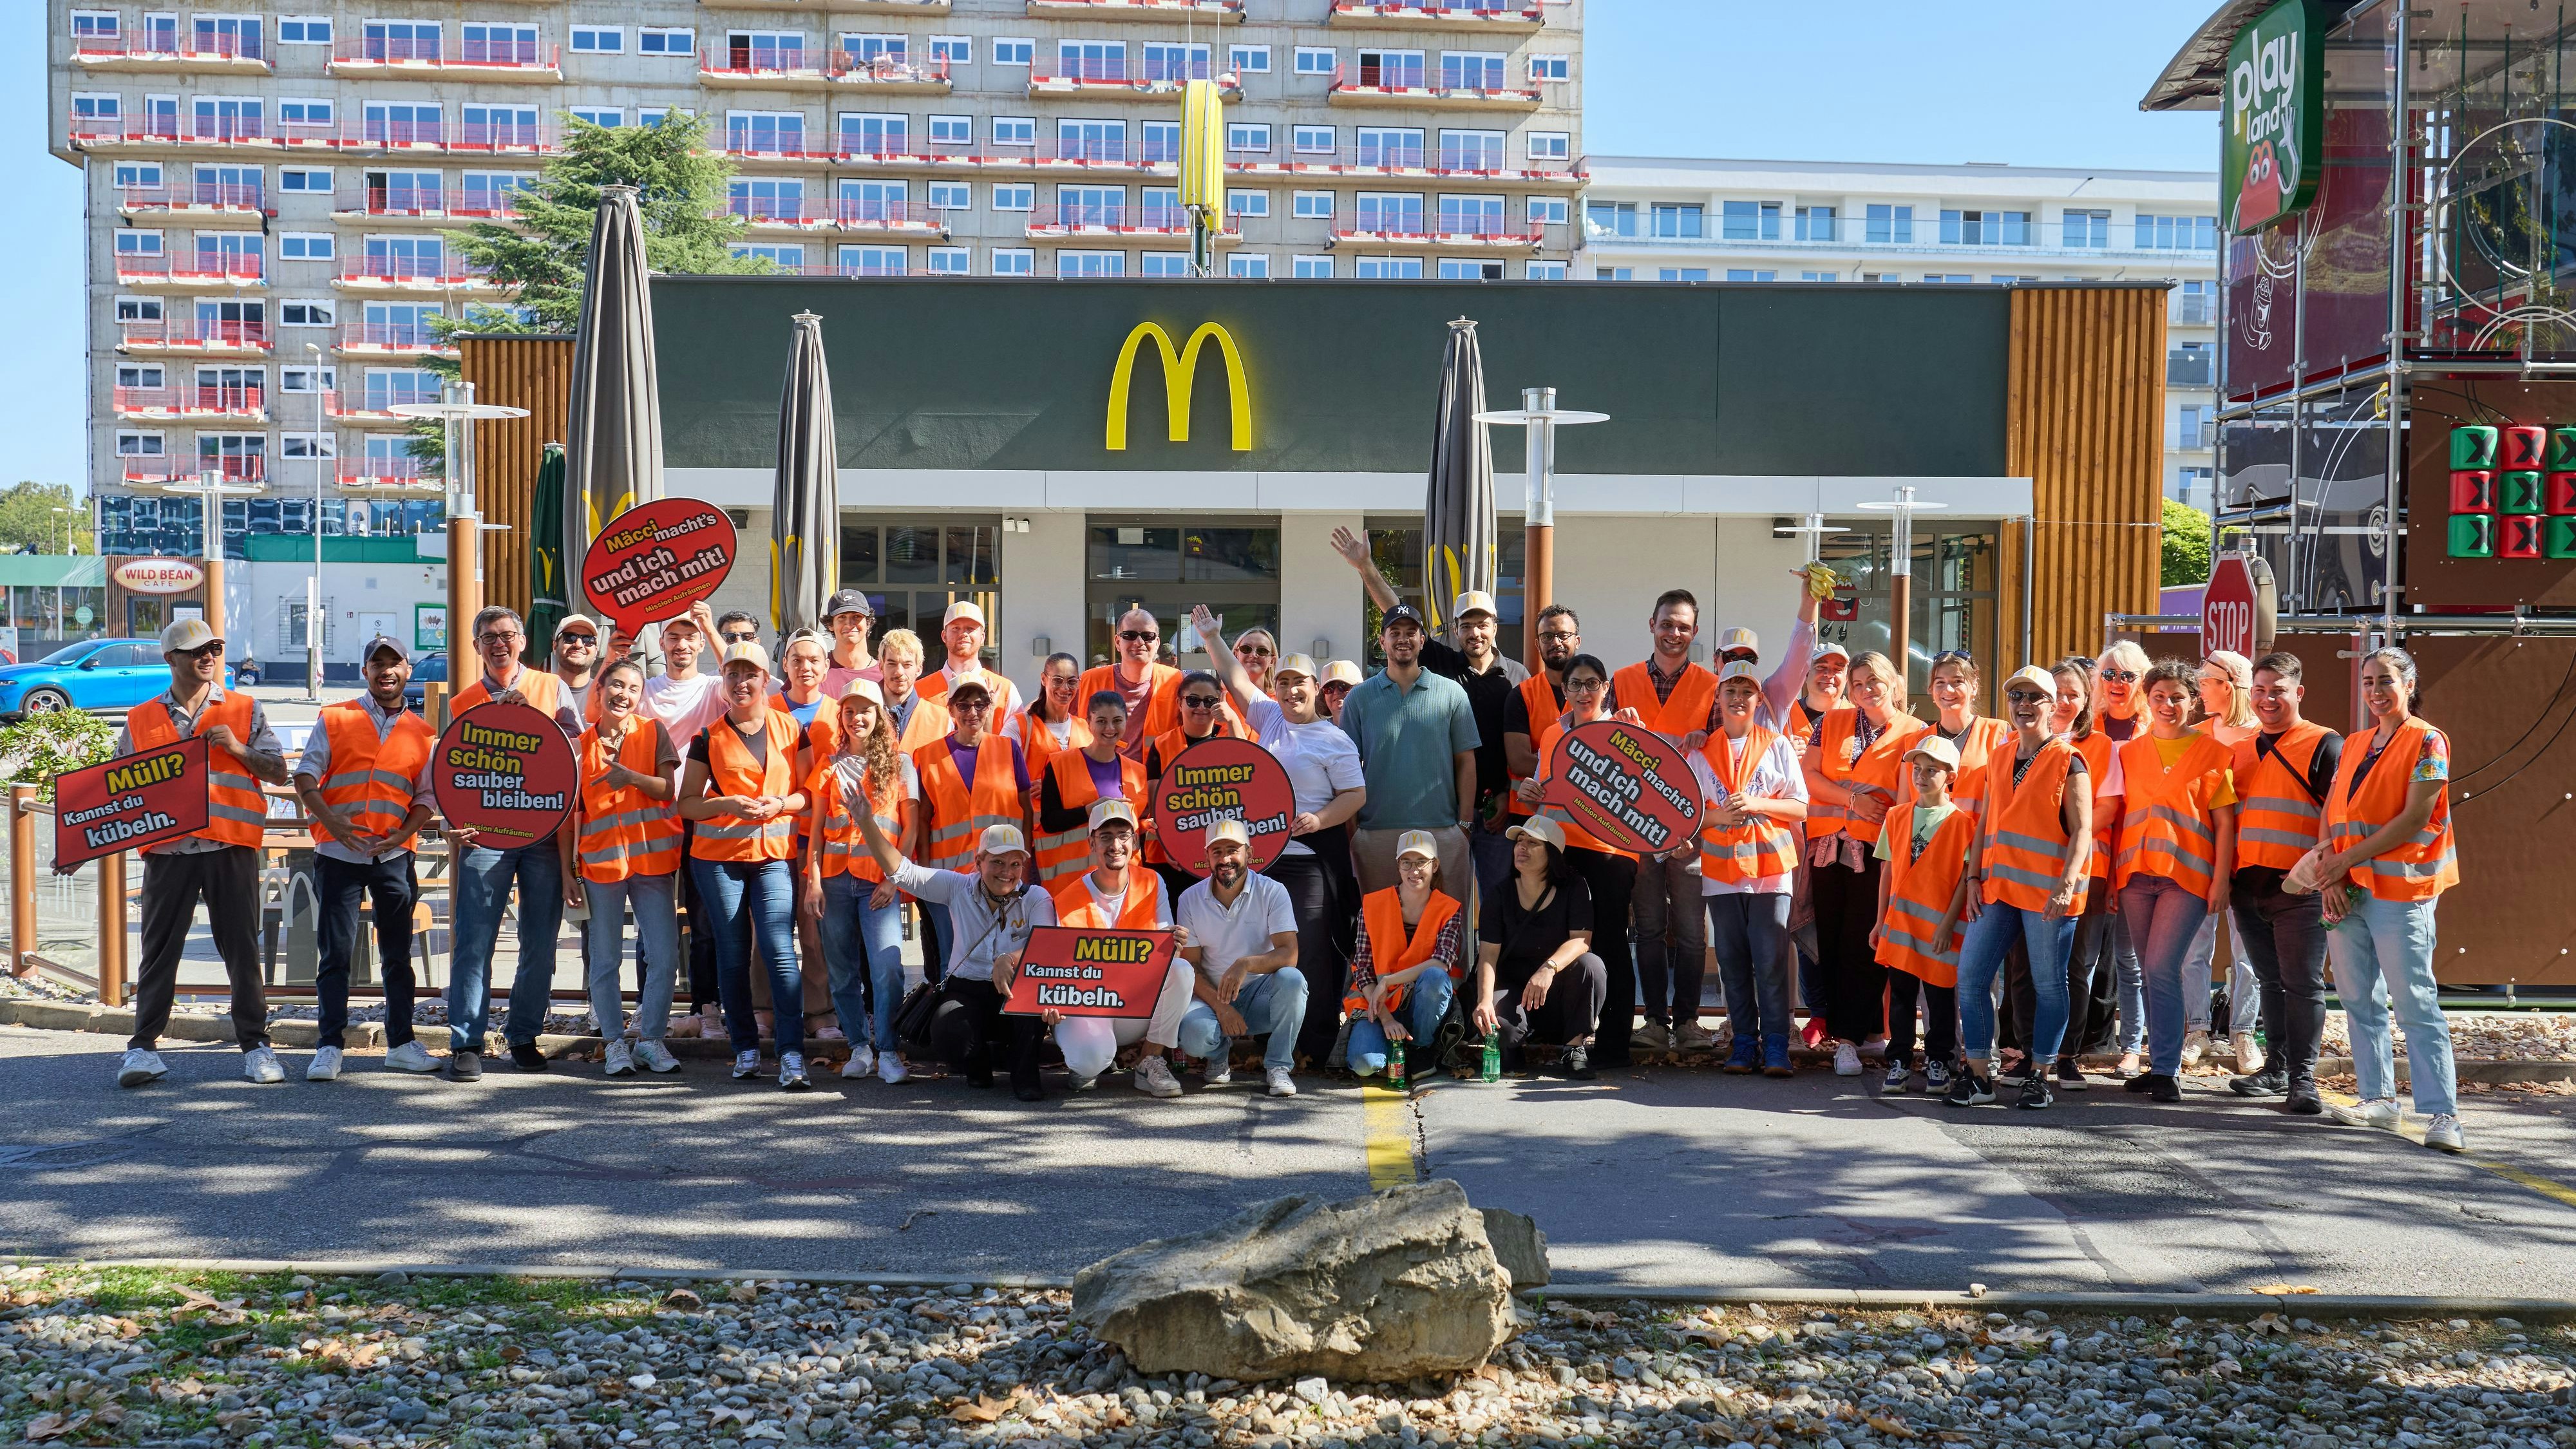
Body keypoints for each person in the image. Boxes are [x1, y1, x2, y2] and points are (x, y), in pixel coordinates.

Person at [111, 618, 292, 1090]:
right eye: (196, 651)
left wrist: (236, 748)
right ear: (171, 659)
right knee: (158, 953)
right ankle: (143, 1048)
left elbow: (277, 772)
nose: (208, 656)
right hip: (168, 850)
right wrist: (78, 847)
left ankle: (256, 1047)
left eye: (214, 647)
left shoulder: (245, 709)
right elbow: (117, 791)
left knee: (240, 950)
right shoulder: (141, 718)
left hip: (228, 847)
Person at [1195, 613, 1368, 1067]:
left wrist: (1320, 818)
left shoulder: (1335, 739)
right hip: (1263, 860)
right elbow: (1235, 680)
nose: (1291, 691)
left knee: (1308, 949)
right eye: (1284, 682)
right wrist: (1213, 637)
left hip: (1309, 859)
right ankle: (1265, 1034)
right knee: (1259, 946)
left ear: (1316, 688)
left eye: (1301, 684)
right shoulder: (1270, 719)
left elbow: (1356, 795)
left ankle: (1314, 1043)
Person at [2315, 647, 2463, 1153]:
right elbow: (2332, 813)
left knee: (2414, 1000)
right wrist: (2329, 871)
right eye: (2369, 681)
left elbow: (2415, 818)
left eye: (2386, 681)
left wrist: (2342, 859)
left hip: (2401, 890)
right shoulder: (2355, 743)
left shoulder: (2428, 741)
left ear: (2408, 685)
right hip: (2347, 887)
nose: (2376, 691)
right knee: (2358, 998)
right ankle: (2377, 1098)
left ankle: (2444, 1114)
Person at [1332, 529, 1528, 901]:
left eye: (1482, 623)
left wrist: (1502, 797)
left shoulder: (1519, 677)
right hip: (1442, 817)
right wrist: (1365, 566)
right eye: (1466, 625)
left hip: (1495, 810)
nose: (1474, 631)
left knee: (1493, 903)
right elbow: (1397, 614)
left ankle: (1481, 963)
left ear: (1495, 627)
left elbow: (1527, 742)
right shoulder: (1445, 666)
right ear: (1454, 630)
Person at [444, 605, 583, 1081]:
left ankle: (524, 1035)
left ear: (523, 641)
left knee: (540, 943)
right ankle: (466, 1042)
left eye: (507, 634)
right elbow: (453, 770)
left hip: (544, 834)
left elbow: (578, 755)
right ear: (477, 645)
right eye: (488, 636)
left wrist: (538, 727)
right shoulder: (463, 701)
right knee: (473, 941)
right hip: (485, 835)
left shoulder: (551, 687)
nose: (499, 643)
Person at [292, 635, 438, 1081]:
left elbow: (426, 797)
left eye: (395, 664)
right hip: (338, 853)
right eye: (378, 664)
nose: (387, 671)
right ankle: (330, 1046)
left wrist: (405, 833)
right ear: (365, 672)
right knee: (334, 954)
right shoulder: (335, 717)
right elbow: (305, 777)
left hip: (393, 855)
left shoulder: (423, 732)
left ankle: (401, 1044)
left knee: (398, 955)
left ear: (408, 671)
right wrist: (331, 823)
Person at [1946, 667, 2093, 1108]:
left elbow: (2084, 829)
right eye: (2017, 697)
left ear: (2052, 706)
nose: (2024, 705)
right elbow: (1986, 822)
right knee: (1971, 979)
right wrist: (1973, 877)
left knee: (2049, 985)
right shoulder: (1999, 756)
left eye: (2034, 697)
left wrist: (2067, 885)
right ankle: (1979, 1078)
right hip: (1998, 888)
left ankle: (2039, 1075)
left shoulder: (2070, 759)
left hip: (2048, 894)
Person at [844, 800, 1056, 1096]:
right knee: (946, 1027)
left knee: (1030, 1008)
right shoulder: (958, 886)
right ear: (978, 860)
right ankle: (978, 1067)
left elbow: (1048, 945)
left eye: (1015, 864)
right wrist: (866, 821)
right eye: (997, 862)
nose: (1006, 872)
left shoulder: (1037, 897)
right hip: (968, 987)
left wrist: (1010, 958)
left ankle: (1025, 1075)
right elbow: (902, 872)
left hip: (1015, 991)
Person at [677, 641, 812, 1090]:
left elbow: (809, 796)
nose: (741, 683)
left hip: (773, 857)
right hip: (718, 861)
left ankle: (792, 1054)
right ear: (724, 682)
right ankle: (747, 1050)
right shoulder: (707, 737)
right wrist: (727, 803)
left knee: (778, 949)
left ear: (766, 679)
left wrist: (780, 803)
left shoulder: (791, 728)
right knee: (732, 955)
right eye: (732, 675)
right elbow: (688, 804)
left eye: (749, 674)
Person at [2112, 658, 2239, 1104]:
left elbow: (2225, 824)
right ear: (2148, 700)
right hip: (2134, 877)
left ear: (2194, 702)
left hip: (2185, 878)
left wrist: (2221, 880)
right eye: (2160, 697)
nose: (2168, 705)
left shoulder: (2213, 753)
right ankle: (2158, 1061)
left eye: (2178, 697)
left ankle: (2167, 1070)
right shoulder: (2128, 753)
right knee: (2149, 973)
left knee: (2163, 968)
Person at [2224, 651, 2340, 1117]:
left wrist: (2328, 875)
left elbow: (2341, 818)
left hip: (2301, 890)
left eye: (2278, 690)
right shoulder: (2240, 748)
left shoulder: (2325, 745)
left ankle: (2303, 1079)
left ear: (2299, 692)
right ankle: (2276, 1068)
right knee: (2271, 982)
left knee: (2303, 984)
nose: (2268, 699)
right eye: (2260, 690)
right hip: (2248, 886)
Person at [1511, 652, 1640, 1073]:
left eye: (1592, 684)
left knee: (1610, 945)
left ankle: (1616, 1045)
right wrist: (1535, 795)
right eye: (1575, 685)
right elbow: (1552, 789)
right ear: (1563, 691)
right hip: (1565, 851)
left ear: (1606, 688)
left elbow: (1642, 796)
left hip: (1611, 853)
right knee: (1568, 945)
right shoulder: (1552, 733)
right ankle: (1571, 1039)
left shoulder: (1625, 729)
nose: (1584, 692)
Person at [1805, 650, 1927, 1075]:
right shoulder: (1833, 721)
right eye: (1857, 683)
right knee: (1833, 943)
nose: (1865, 689)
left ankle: (1851, 1039)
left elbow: (1913, 795)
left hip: (1878, 853)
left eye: (1873, 680)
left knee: (1866, 943)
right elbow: (1811, 776)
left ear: (1893, 681)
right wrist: (1852, 801)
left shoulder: (1915, 732)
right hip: (1828, 850)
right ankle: (1857, 1034)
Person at [561, 657, 684, 1077]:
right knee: (605, 959)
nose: (623, 695)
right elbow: (568, 815)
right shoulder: (580, 747)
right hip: (600, 867)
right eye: (616, 686)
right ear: (600, 691)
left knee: (665, 956)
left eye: (632, 688)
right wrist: (567, 874)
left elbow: (669, 789)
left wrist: (630, 777)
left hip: (651, 864)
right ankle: (614, 1042)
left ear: (640, 695)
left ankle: (650, 1039)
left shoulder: (654, 732)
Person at [1610, 589, 1718, 1060]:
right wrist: (1615, 720)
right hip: (1637, 828)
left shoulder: (1713, 685)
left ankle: (1689, 1020)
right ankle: (1654, 1020)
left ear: (1694, 632)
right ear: (1651, 624)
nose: (1674, 633)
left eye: (1683, 626)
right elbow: (1604, 747)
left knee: (1693, 931)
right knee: (1649, 927)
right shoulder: (1622, 681)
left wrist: (1707, 739)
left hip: (1693, 830)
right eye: (1666, 624)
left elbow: (1723, 756)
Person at [804, 678, 920, 1085]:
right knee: (841, 970)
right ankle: (858, 1047)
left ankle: (888, 1050)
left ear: (880, 716)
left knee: (887, 967)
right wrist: (813, 882)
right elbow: (817, 830)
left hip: (878, 883)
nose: (858, 718)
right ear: (842, 718)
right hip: (834, 883)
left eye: (866, 711)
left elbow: (910, 828)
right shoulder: (828, 766)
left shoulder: (901, 763)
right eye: (850, 712)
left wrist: (895, 877)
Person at [1698, 661, 1808, 1075]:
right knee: (1731, 963)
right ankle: (1744, 1044)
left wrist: (1758, 804)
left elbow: (1801, 807)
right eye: (1731, 691)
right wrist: (1717, 819)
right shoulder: (1702, 750)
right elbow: (1690, 814)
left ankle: (1777, 1046)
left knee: (1771, 962)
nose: (1738, 698)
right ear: (1719, 698)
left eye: (1747, 691)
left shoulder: (1777, 744)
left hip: (1770, 873)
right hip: (1722, 876)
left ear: (1759, 699)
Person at [1049, 799, 1197, 1101]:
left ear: (1135, 841)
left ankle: (1150, 1060)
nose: (1115, 844)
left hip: (1132, 1006)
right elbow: (1056, 967)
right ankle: (1088, 1062)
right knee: (1090, 1062)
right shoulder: (1066, 897)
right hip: (1087, 1005)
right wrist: (1049, 998)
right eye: (1105, 837)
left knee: (1181, 970)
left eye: (1123, 835)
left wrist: (1174, 943)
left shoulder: (1153, 881)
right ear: (1091, 844)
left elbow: (1165, 955)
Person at [1338, 603, 1479, 900]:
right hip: (1376, 832)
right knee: (1382, 931)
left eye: (1411, 632)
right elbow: (1345, 769)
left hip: (1442, 831)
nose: (1404, 639)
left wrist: (1464, 827)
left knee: (1447, 928)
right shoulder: (1359, 698)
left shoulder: (1452, 693)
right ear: (1382, 641)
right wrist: (1354, 833)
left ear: (1422, 640)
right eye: (1395, 633)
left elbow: (1466, 761)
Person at [638, 598, 730, 1032]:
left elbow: (744, 676)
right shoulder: (647, 689)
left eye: (688, 637)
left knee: (704, 915)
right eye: (674, 637)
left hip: (701, 814)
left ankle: (706, 1005)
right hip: (654, 813)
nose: (681, 644)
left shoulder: (714, 686)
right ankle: (647, 1005)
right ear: (662, 643)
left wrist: (711, 629)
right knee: (650, 918)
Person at [912, 671, 1034, 983]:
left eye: (980, 705)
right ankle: (951, 1026)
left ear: (990, 708)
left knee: (1002, 956)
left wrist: (1026, 866)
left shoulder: (1009, 750)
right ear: (950, 710)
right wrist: (925, 876)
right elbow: (922, 821)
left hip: (1002, 876)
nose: (972, 713)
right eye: (963, 706)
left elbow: (1026, 813)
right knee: (952, 962)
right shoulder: (927, 756)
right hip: (950, 879)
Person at [2046, 656, 2132, 1083]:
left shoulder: (2102, 746)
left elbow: (2109, 807)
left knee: (2077, 965)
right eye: (2055, 692)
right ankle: (2030, 1050)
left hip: (2087, 870)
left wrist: (2066, 834)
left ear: (2086, 701)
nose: (2062, 701)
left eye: (2072, 694)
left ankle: (2066, 1055)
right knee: (2032, 965)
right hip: (2030, 869)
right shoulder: (2024, 740)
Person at [1872, 736, 1974, 1095]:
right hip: (1900, 924)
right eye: (1917, 769)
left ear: (1950, 776)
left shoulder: (1963, 822)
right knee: (1900, 995)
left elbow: (1965, 878)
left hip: (1939, 928)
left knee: (1940, 996)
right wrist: (1880, 919)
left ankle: (1939, 1060)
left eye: (1932, 770)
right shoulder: (1897, 816)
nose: (1922, 776)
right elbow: (1887, 870)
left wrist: (1948, 924)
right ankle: (1899, 1059)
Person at [1470, 815, 1607, 1079]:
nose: (1522, 847)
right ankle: (1515, 1044)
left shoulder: (1574, 887)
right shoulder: (1499, 894)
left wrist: (1549, 968)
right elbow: (1488, 955)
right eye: (1520, 841)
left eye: (1533, 843)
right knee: (1502, 1034)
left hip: (1556, 987)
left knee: (1593, 965)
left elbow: (1582, 941)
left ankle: (1574, 1047)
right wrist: (1485, 1001)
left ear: (1552, 854)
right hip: (1513, 987)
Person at [1176, 821, 1306, 1096]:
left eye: (1233, 850)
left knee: (1292, 980)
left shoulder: (1273, 891)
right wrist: (1222, 1007)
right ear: (1207, 857)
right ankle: (1219, 1057)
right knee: (1195, 1038)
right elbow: (1191, 966)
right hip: (1213, 997)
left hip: (1260, 995)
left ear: (1249, 853)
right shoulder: (1189, 898)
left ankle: (1279, 1067)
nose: (1225, 859)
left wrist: (1245, 964)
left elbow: (1289, 954)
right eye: (1217, 851)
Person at [2180, 649, 2262, 1070]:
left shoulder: (2264, 736)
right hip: (2202, 857)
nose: (2198, 689)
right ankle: (2197, 1029)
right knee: (2196, 947)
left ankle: (2244, 1033)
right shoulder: (2196, 736)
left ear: (2227, 687)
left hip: (2249, 860)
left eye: (2205, 682)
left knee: (2247, 952)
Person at [1344, 830, 1466, 1079]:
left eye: (1421, 862)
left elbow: (1442, 964)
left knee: (1434, 977)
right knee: (1364, 1065)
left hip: (1424, 1006)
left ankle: (1421, 1047)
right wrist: (1387, 1020)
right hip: (1378, 1006)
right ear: (1398, 866)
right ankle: (1396, 1045)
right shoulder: (1373, 904)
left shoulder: (1450, 908)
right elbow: (1363, 969)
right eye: (1406, 863)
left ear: (1435, 865)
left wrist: (1389, 980)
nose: (1414, 871)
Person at [1788, 640, 1854, 1046]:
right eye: (1820, 667)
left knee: (1833, 929)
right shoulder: (1781, 715)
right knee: (1797, 925)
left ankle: (1831, 1015)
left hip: (1838, 840)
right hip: (1790, 837)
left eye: (1837, 669)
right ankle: (1811, 1014)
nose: (1828, 676)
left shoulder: (1855, 719)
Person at [1141, 668, 1249, 904]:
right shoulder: (1162, 744)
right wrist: (1170, 846)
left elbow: (1249, 773)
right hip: (1171, 858)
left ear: (1219, 702)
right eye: (1193, 700)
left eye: (1209, 701)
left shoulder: (1230, 735)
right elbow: (1157, 802)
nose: (1201, 707)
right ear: (1180, 703)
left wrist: (1231, 718)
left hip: (1223, 854)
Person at [1034, 688, 1144, 887]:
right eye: (1101, 721)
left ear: (1126, 722)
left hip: (1123, 885)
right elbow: (1049, 822)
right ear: (1088, 723)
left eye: (1117, 721)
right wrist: (1090, 810)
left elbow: (1136, 826)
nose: (1110, 728)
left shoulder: (1138, 772)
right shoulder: (1060, 765)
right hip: (1072, 884)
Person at [1501, 603, 1579, 838]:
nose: (1556, 642)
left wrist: (1544, 762)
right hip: (1529, 817)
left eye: (1564, 635)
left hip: (1584, 820)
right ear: (1537, 644)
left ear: (1577, 641)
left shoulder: (1595, 694)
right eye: (1547, 636)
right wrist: (1581, 773)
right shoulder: (1521, 695)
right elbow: (1519, 761)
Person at [1078, 607, 1194, 759]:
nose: (1139, 642)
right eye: (1130, 635)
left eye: (1147, 636)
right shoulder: (1088, 681)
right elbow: (1049, 714)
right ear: (1118, 642)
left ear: (1157, 643)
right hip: (1099, 776)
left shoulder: (1179, 681)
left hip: (1159, 777)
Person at [918, 600, 1021, 719]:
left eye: (970, 628)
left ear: (982, 637)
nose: (963, 633)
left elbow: (1018, 736)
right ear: (944, 636)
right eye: (956, 628)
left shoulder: (1005, 690)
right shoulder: (919, 691)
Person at [1007, 651, 1091, 789]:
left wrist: (1052, 786)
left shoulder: (1086, 729)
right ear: (1044, 679)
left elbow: (1094, 777)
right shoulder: (1019, 726)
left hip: (1076, 810)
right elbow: (1003, 773)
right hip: (1034, 809)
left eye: (1072, 682)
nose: (1065, 688)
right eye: (1057, 680)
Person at [876, 628, 952, 753]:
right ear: (881, 667)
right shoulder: (864, 716)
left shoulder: (941, 720)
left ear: (919, 669)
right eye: (892, 664)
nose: (899, 672)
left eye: (907, 665)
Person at [819, 588, 881, 696]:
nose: (849, 624)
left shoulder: (885, 675)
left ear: (868, 623)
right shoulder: (815, 671)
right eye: (842, 617)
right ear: (830, 625)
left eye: (856, 616)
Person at [551, 614, 605, 726]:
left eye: (588, 640)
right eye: (569, 638)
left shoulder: (605, 695)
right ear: (555, 646)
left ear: (596, 651)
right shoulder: (541, 689)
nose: (579, 644)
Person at [1318, 659, 1363, 723]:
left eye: (1344, 686)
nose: (1336, 693)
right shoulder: (1318, 731)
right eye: (1329, 688)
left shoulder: (1374, 728)